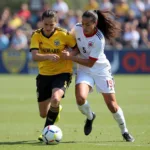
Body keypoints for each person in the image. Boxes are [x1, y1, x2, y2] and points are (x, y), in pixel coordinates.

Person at [61, 10, 135, 142]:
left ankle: (124, 131)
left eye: (88, 24)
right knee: (80, 98)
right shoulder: (77, 28)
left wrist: (71, 57)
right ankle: (90, 117)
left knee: (112, 105)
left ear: (95, 24)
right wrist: (70, 51)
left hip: (101, 70)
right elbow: (76, 45)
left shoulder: (99, 39)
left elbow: (90, 62)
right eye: (83, 23)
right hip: (84, 70)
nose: (84, 27)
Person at [30, 10, 77, 141]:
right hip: (44, 75)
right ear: (41, 23)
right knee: (43, 113)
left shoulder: (64, 34)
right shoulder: (36, 35)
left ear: (56, 23)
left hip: (62, 73)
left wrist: (70, 54)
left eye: (52, 24)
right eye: (46, 24)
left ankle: (46, 131)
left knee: (55, 98)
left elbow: (76, 48)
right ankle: (56, 109)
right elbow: (34, 56)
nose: (49, 27)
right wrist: (48, 56)